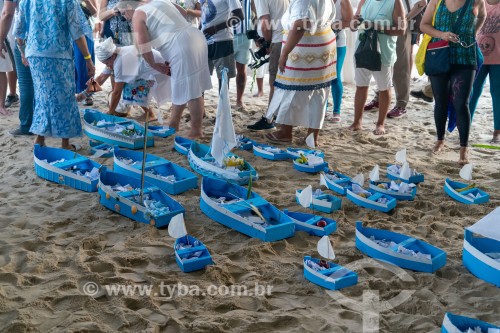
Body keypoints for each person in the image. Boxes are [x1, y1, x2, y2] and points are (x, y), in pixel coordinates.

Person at [125, 0, 213, 139]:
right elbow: (183, 12)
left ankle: (196, 130)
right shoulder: (158, 1)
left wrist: (154, 64)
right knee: (183, 84)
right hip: (195, 36)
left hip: (182, 44)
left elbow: (143, 45)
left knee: (193, 91)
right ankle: (174, 123)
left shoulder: (138, 13)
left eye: (124, 12)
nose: (125, 16)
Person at [15, 0, 95, 149]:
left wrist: (22, 52)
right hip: (59, 54)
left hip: (35, 54)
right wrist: (88, 58)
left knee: (42, 96)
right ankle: (65, 143)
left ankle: (39, 139)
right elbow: (77, 31)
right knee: (65, 98)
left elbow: (19, 29)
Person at [420, 0, 486, 164]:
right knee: (440, 101)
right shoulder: (436, 1)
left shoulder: (476, 1)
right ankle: (440, 140)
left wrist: (474, 32)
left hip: (465, 57)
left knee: (461, 103)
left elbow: (483, 16)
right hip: (440, 54)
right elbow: (424, 25)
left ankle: (464, 148)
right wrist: (442, 35)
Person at [264, 0, 337, 146]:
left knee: (291, 89)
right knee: (318, 92)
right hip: (323, 46)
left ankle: (285, 133)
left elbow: (301, 24)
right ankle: (312, 136)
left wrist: (284, 53)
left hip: (303, 49)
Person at [349, 0, 406, 135]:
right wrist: (355, 22)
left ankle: (380, 124)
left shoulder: (395, 2)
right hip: (362, 49)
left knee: (384, 88)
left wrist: (376, 26)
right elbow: (352, 27)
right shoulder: (364, 1)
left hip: (383, 53)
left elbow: (401, 30)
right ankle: (357, 122)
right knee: (361, 86)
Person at [362, 0, 426, 119]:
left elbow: (422, 3)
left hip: (399, 28)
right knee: (381, 64)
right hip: (382, 27)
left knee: (400, 66)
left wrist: (405, 19)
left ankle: (401, 104)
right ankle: (379, 98)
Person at [96, 37, 169, 121]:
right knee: (130, 85)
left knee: (130, 88)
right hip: (152, 69)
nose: (108, 66)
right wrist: (85, 93)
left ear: (112, 56)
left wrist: (110, 113)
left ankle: (150, 114)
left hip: (161, 69)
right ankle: (149, 113)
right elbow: (101, 78)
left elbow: (116, 93)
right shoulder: (116, 54)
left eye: (107, 63)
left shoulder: (119, 62)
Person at [246, 0, 289, 130]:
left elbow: (265, 23)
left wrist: (267, 42)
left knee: (274, 83)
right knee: (280, 82)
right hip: (284, 38)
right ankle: (277, 116)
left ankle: (270, 119)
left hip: (277, 40)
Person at [0, 0, 34, 135]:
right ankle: (48, 122)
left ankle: (27, 125)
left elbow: (8, 13)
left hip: (26, 38)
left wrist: (1, 39)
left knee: (26, 82)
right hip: (52, 39)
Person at [469, 0, 499, 143]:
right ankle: (465, 127)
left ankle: (497, 132)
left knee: (497, 94)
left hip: (498, 59)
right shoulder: (478, 2)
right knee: (472, 92)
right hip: (478, 55)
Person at [200, 0, 243, 92]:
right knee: (200, 79)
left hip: (222, 41)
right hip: (204, 42)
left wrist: (216, 28)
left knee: (223, 79)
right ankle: (200, 106)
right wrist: (199, 32)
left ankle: (223, 106)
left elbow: (239, 16)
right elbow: (203, 15)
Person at [326, 0, 353, 123]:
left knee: (335, 76)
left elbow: (349, 22)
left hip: (338, 42)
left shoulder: (343, 1)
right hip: (321, 42)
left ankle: (336, 110)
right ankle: (323, 108)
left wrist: (329, 26)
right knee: (322, 77)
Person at [75, 0, 97, 106]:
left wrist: (87, 1)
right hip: (68, 31)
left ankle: (89, 93)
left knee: (88, 61)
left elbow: (95, 13)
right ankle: (75, 91)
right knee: (75, 62)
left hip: (86, 31)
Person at [233, 0, 253, 110]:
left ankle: (239, 100)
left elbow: (255, 8)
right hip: (227, 34)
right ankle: (223, 102)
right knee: (223, 70)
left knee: (242, 69)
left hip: (245, 34)